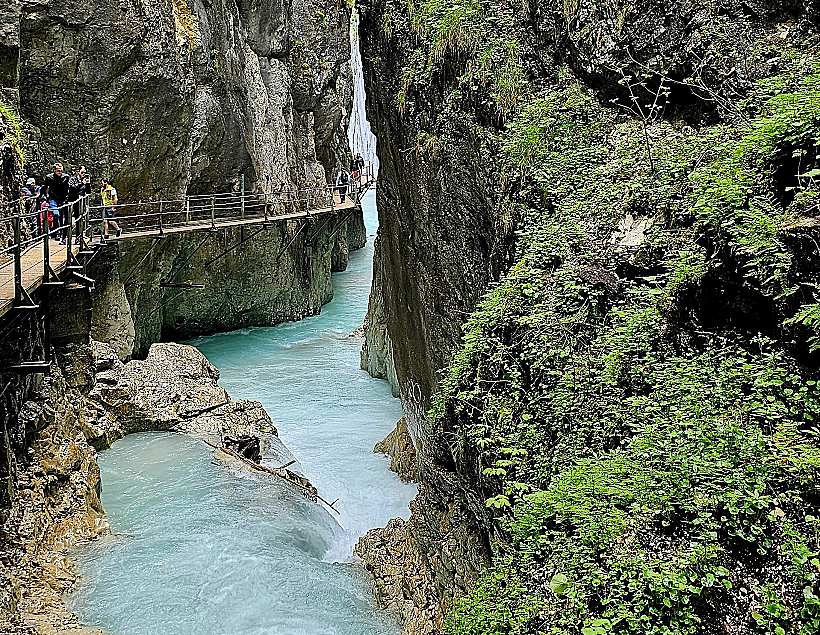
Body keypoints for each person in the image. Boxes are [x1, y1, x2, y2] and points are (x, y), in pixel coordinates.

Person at [42, 163, 70, 243]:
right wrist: (44, 197)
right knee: (56, 214)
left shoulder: (66, 177)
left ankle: (61, 234)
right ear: (54, 170)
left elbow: (69, 188)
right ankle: (56, 232)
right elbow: (44, 188)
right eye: (58, 171)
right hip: (53, 199)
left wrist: (67, 198)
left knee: (62, 217)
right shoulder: (49, 177)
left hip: (63, 199)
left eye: (61, 170)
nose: (60, 172)